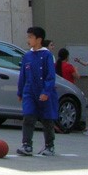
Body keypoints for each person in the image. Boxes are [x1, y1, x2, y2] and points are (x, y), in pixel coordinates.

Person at [16, 26, 58, 156]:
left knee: (47, 119)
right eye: (28, 36)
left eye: (31, 37)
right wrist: (20, 91)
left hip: (44, 91)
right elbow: (22, 75)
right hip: (29, 91)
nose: (28, 39)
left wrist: (46, 91)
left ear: (39, 39)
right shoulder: (27, 56)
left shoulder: (47, 55)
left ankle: (49, 146)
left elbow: (51, 75)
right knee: (28, 117)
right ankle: (27, 145)